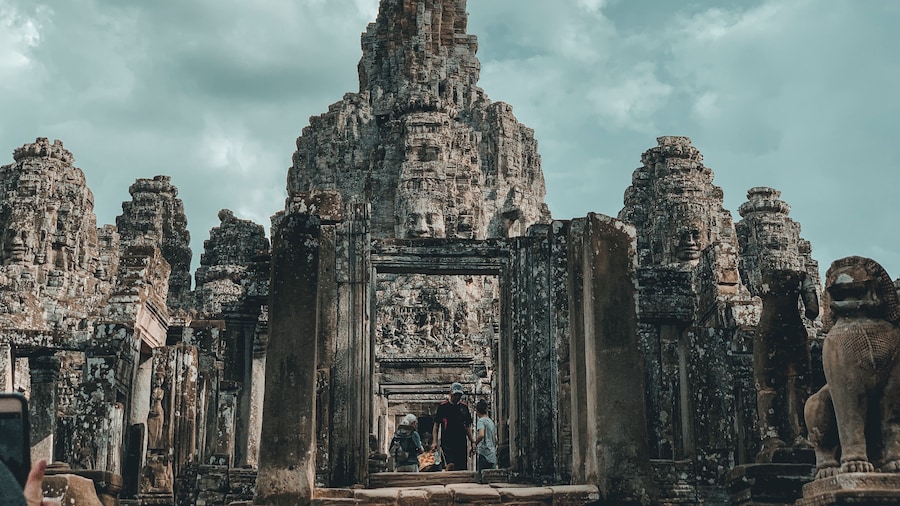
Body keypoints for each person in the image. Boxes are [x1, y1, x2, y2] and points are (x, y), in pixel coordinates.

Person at [432, 382, 475, 471]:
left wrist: (473, 441)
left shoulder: (464, 407)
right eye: (455, 395)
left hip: (461, 441)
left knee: (461, 466)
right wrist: (435, 441)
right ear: (450, 393)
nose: (457, 397)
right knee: (450, 464)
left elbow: (467, 426)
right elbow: (436, 426)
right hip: (447, 442)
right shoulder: (443, 407)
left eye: (459, 395)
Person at [472, 399, 497, 472]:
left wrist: (475, 443)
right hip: (492, 454)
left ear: (477, 412)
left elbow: (481, 435)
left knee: (481, 475)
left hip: (484, 454)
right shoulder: (490, 422)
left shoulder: (481, 421)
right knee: (492, 475)